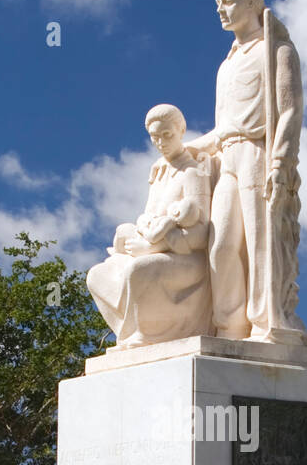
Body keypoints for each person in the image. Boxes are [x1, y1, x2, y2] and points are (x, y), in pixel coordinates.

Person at [187, 0, 307, 345]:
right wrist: (184, 151)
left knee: (262, 241)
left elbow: (290, 112)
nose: (221, 10)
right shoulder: (225, 66)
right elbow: (221, 127)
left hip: (259, 152)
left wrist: (280, 162)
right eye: (218, 4)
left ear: (253, 2)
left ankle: (266, 323)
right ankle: (229, 327)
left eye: (228, 1)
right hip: (227, 156)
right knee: (222, 243)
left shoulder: (277, 51)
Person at [86, 103, 213, 348]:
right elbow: (147, 216)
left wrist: (154, 246)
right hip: (150, 245)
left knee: (140, 270)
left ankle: (148, 335)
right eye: (155, 137)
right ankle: (130, 333)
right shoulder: (159, 174)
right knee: (97, 275)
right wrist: (139, 232)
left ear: (181, 131)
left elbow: (201, 233)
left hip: (187, 259)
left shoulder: (193, 173)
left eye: (167, 135)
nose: (161, 143)